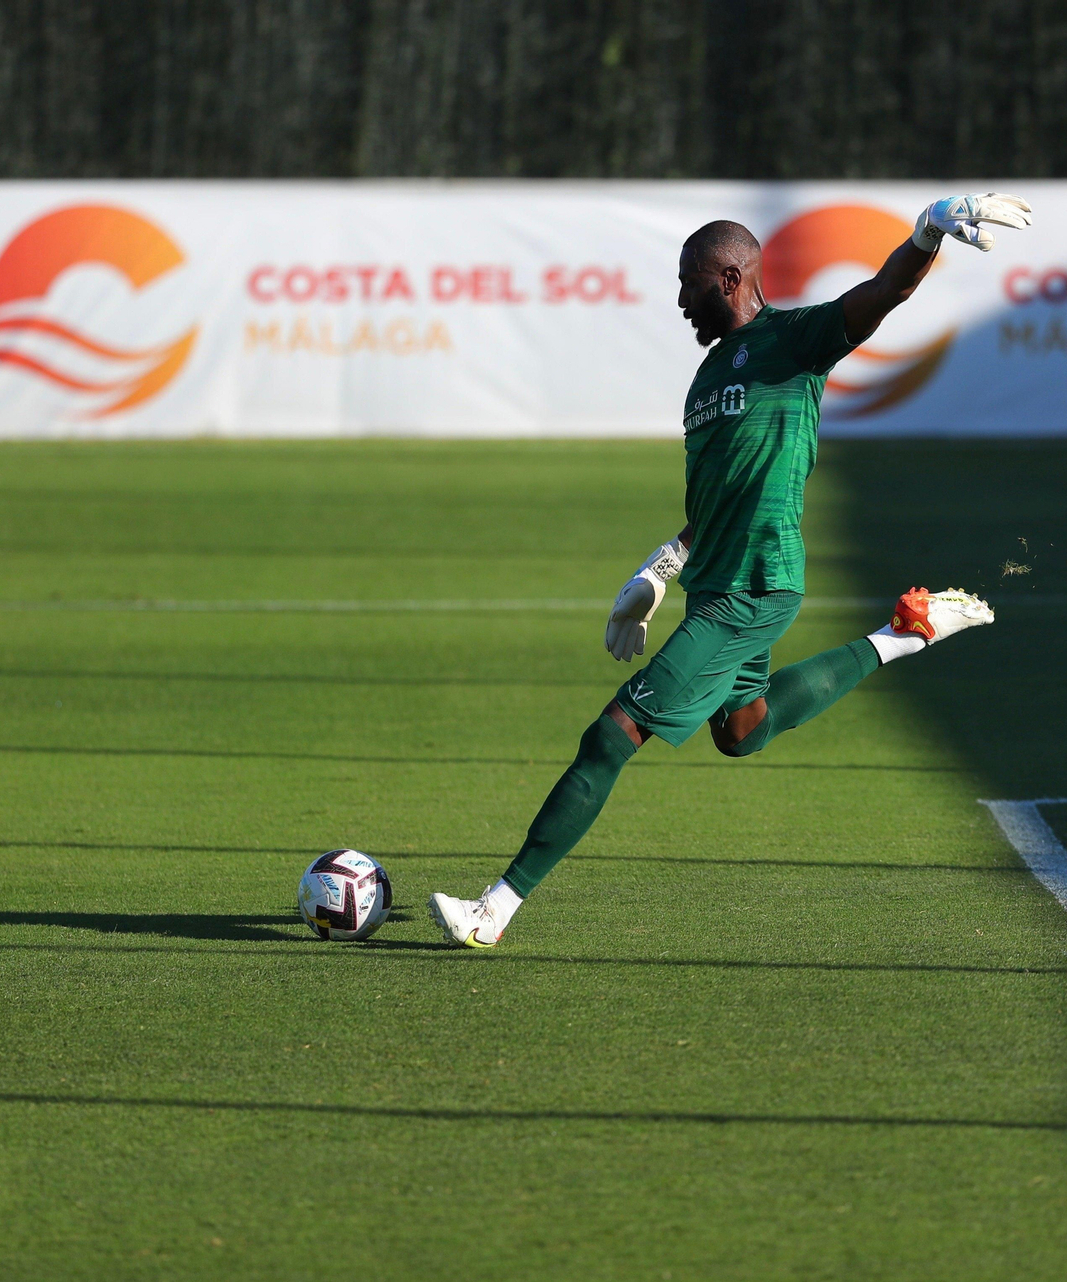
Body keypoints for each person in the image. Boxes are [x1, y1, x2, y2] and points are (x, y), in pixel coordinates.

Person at [428, 193, 1033, 948]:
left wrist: (925, 234)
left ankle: (497, 908)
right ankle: (905, 634)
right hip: (715, 583)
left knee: (610, 737)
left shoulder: (796, 341)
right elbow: (710, 498)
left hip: (754, 586)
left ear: (728, 276)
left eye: (686, 282)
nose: (678, 299)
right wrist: (661, 569)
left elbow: (884, 294)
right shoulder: (705, 381)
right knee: (742, 732)